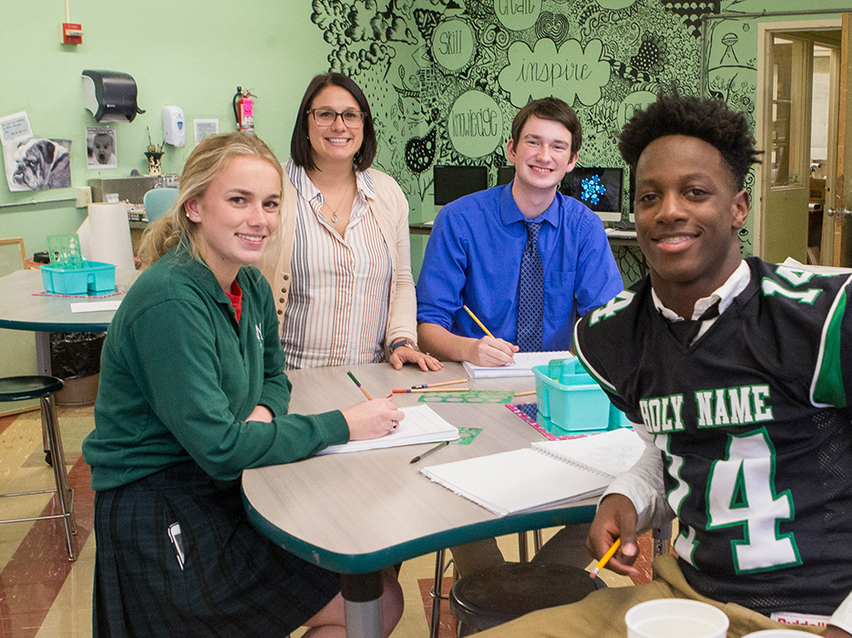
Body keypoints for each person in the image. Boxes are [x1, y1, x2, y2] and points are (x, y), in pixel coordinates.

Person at [469, 94, 852, 638]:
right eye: (649, 195)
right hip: (685, 595)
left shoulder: (826, 316)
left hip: (822, 608)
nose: (669, 210)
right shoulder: (614, 334)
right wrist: (627, 496)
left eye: (694, 192)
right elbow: (673, 450)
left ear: (738, 206)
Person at [83, 132, 405, 637]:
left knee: (373, 586)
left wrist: (262, 415)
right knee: (371, 596)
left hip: (221, 486)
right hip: (159, 505)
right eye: (239, 200)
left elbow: (274, 378)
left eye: (270, 203)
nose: (259, 219)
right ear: (193, 206)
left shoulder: (249, 283)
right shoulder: (170, 302)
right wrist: (343, 424)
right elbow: (219, 448)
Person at [415, 97, 623, 367]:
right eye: (533, 142)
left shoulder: (584, 228)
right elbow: (427, 327)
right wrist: (469, 349)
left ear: (572, 160)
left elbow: (606, 322)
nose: (544, 156)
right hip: (470, 374)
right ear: (512, 150)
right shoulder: (459, 220)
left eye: (558, 147)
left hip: (551, 378)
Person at [257, 72, 441, 372]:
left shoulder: (387, 192)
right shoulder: (272, 187)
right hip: (287, 377)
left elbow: (403, 281)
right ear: (305, 123)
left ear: (364, 126)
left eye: (351, 115)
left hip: (371, 376)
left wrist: (402, 340)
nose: (339, 125)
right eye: (325, 114)